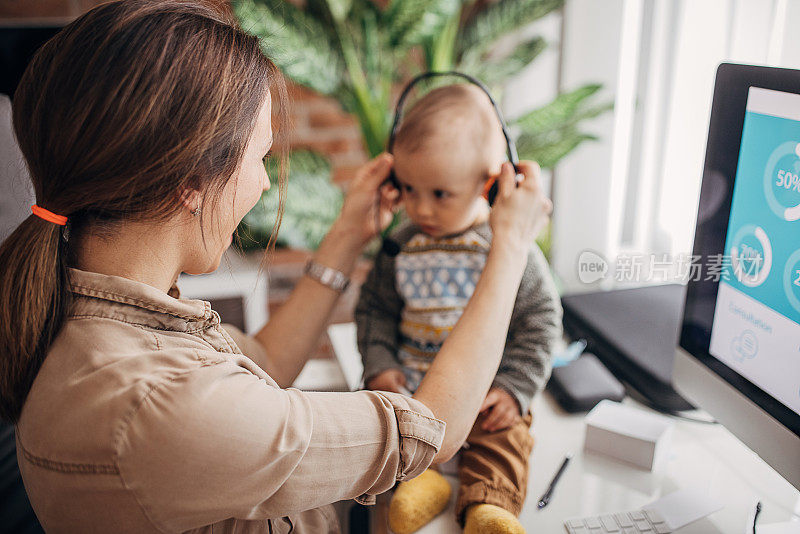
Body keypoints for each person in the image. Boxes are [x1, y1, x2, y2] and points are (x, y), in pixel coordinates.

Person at [0, 2, 552, 533]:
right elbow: (430, 428)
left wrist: (346, 237)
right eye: (260, 158)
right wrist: (510, 245)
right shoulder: (158, 406)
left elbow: (261, 361)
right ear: (192, 180)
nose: (265, 184)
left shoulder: (91, 312)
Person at [355, 84, 562, 534]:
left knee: (505, 439)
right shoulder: (400, 246)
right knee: (391, 430)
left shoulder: (510, 248)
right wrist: (380, 365)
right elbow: (375, 311)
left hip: (488, 393)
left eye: (441, 193)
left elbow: (540, 321)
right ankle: (421, 484)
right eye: (408, 188)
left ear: (491, 183)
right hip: (416, 388)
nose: (420, 207)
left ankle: (489, 505)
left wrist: (513, 387)